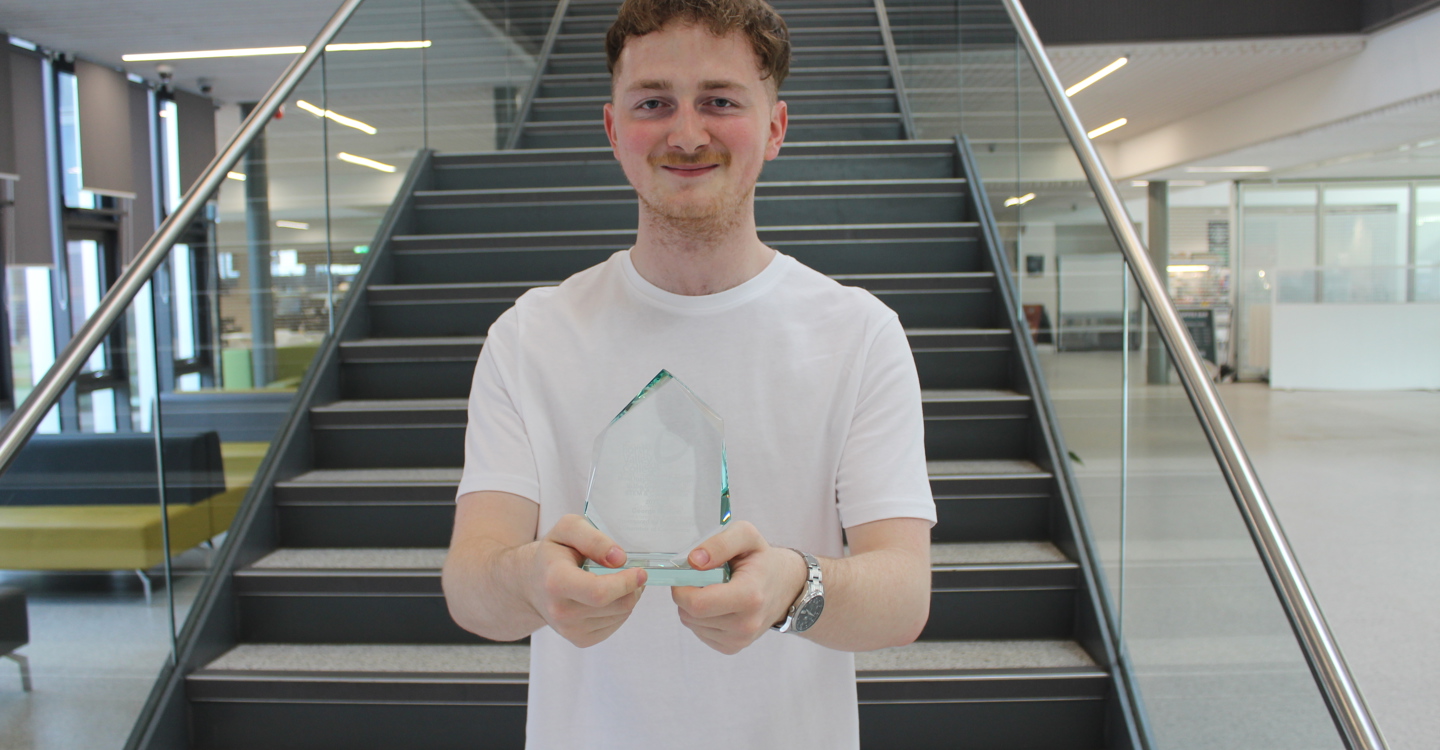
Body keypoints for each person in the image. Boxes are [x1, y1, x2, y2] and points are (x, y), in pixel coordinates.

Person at [441, 0, 935, 746]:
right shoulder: (530, 335)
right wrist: (527, 582)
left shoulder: (859, 333)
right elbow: (471, 587)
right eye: (653, 103)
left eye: (719, 101)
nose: (686, 132)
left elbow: (904, 595)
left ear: (774, 127)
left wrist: (792, 587)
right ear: (614, 130)